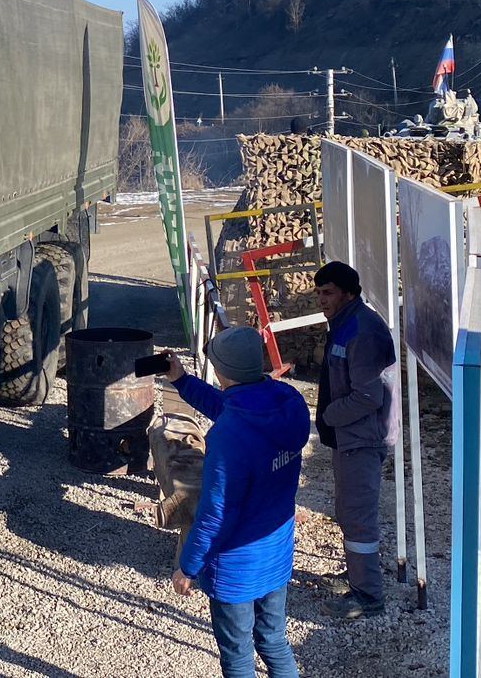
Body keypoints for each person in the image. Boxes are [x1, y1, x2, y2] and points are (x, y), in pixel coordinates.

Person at [164, 328, 310, 677]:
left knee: (238, 656)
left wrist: (189, 566)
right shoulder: (288, 402)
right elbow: (230, 407)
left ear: (221, 371)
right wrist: (182, 380)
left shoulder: (228, 438)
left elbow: (216, 515)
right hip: (276, 552)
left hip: (236, 568)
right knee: (274, 640)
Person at [311, 261, 398, 619]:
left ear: (348, 293)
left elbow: (368, 396)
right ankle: (359, 577)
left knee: (358, 518)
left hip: (361, 440)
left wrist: (329, 416)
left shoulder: (360, 331)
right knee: (348, 513)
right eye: (318, 293)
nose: (321, 300)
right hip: (349, 439)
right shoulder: (346, 323)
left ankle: (368, 597)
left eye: (327, 293)